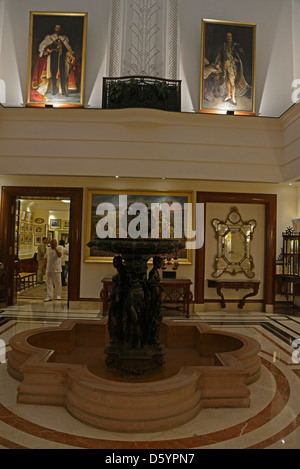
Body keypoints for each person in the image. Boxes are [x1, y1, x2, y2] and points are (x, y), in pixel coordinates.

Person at [31, 23, 76, 101]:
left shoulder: (63, 38)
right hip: (53, 58)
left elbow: (67, 50)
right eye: (56, 27)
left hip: (62, 59)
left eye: (59, 27)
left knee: (63, 74)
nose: (58, 29)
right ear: (54, 28)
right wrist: (47, 50)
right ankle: (54, 90)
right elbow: (42, 47)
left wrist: (71, 56)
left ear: (60, 29)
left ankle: (64, 91)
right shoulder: (50, 38)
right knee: (53, 74)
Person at [214, 31, 250, 105]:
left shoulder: (235, 46)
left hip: (232, 67)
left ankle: (233, 98)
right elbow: (220, 56)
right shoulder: (223, 46)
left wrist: (234, 58)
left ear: (232, 37)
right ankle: (228, 96)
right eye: (227, 36)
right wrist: (218, 63)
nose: (229, 38)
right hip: (225, 67)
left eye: (230, 36)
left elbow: (239, 58)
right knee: (227, 81)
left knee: (232, 83)